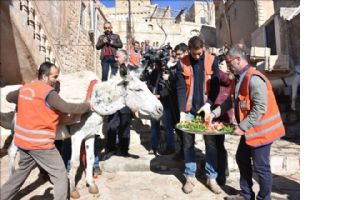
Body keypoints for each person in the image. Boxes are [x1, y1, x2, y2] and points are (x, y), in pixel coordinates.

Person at [0, 62, 91, 200]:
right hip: (40, 144)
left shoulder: (26, 88)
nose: (56, 80)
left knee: (20, 173)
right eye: (54, 77)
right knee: (60, 174)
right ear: (44, 76)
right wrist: (87, 106)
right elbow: (67, 108)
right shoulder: (49, 94)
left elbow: (9, 97)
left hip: (23, 141)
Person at [207, 47, 285, 200]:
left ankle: (264, 197)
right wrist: (213, 114)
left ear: (238, 59)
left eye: (229, 62)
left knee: (261, 168)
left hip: (263, 131)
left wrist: (242, 127)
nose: (227, 65)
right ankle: (246, 195)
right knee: (241, 158)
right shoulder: (238, 78)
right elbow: (231, 101)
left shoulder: (254, 78)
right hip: (251, 130)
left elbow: (260, 108)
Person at [175, 36, 222, 194]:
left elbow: (216, 85)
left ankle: (211, 178)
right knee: (188, 144)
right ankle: (190, 176)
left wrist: (209, 104)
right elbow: (181, 88)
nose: (197, 57)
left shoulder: (211, 60)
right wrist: (182, 111)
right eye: (194, 54)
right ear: (189, 50)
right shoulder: (182, 63)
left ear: (203, 49)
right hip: (189, 111)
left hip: (206, 110)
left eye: (199, 53)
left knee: (211, 144)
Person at [104, 49, 138, 160]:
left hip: (125, 104)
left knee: (125, 127)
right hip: (114, 103)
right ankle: (111, 150)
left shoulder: (132, 69)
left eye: (117, 57)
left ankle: (124, 150)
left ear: (124, 57)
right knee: (111, 126)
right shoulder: (113, 69)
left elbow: (133, 86)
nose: (115, 58)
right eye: (115, 57)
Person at [212, 55, 234, 186]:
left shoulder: (227, 77)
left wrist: (216, 69)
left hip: (223, 115)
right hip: (215, 113)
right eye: (219, 65)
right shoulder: (218, 76)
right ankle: (219, 171)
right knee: (215, 145)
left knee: (219, 145)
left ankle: (222, 173)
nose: (220, 67)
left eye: (222, 65)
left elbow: (225, 79)